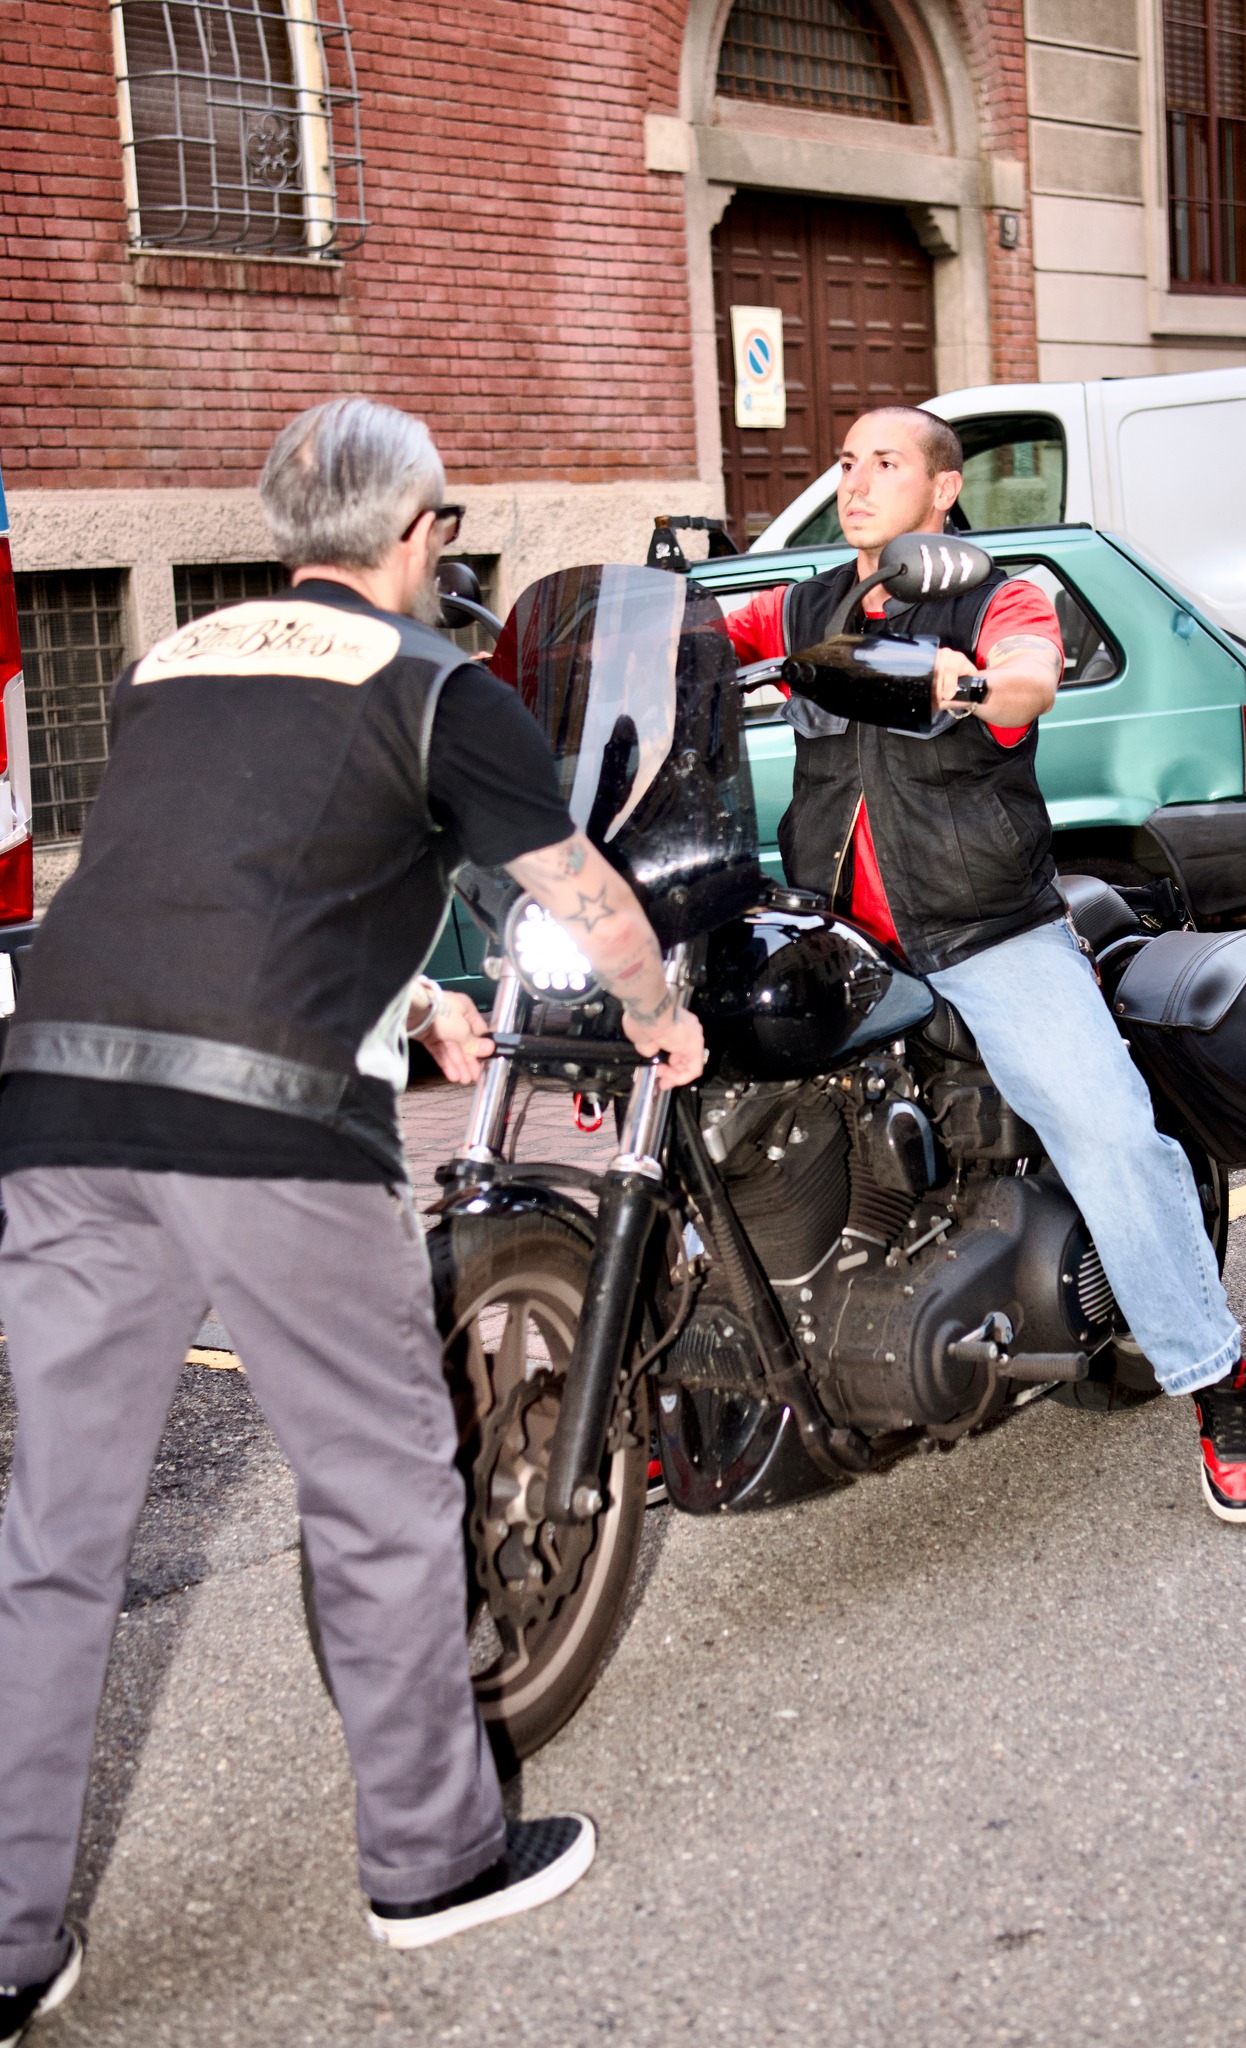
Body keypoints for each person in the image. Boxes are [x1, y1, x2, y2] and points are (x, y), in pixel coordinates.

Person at [0, 397, 704, 2040]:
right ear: (414, 531)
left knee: (54, 1539)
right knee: (384, 1486)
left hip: (57, 1101)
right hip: (263, 1126)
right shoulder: (440, 684)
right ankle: (433, 1860)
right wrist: (658, 1014)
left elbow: (237, 882)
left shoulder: (171, 662)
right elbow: (585, 897)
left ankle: (9, 1946)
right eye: (446, 522)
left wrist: (420, 1004)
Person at [723, 404, 1246, 1527]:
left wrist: (963, 684)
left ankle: (1215, 1375)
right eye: (845, 462)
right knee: (713, 1099)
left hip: (983, 929)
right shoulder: (806, 604)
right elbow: (703, 637)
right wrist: (588, 637)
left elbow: (1029, 678)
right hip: (840, 935)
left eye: (884, 463)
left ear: (942, 489)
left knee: (1109, 1134)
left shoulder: (997, 597)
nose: (854, 481)